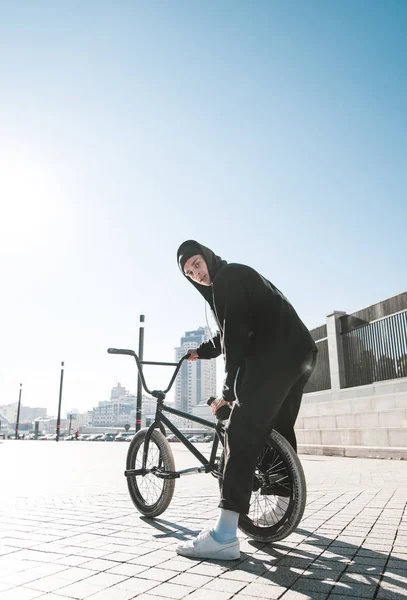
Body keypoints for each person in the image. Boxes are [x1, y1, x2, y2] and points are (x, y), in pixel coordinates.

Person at [176, 240, 317, 561]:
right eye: (189, 273)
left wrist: (228, 394)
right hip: (300, 352)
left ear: (207, 257)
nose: (196, 273)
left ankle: (224, 535)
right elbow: (229, 333)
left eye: (197, 264)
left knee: (238, 429)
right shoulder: (234, 278)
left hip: (276, 355)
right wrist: (202, 351)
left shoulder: (226, 279)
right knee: (276, 428)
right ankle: (282, 504)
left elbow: (236, 336)